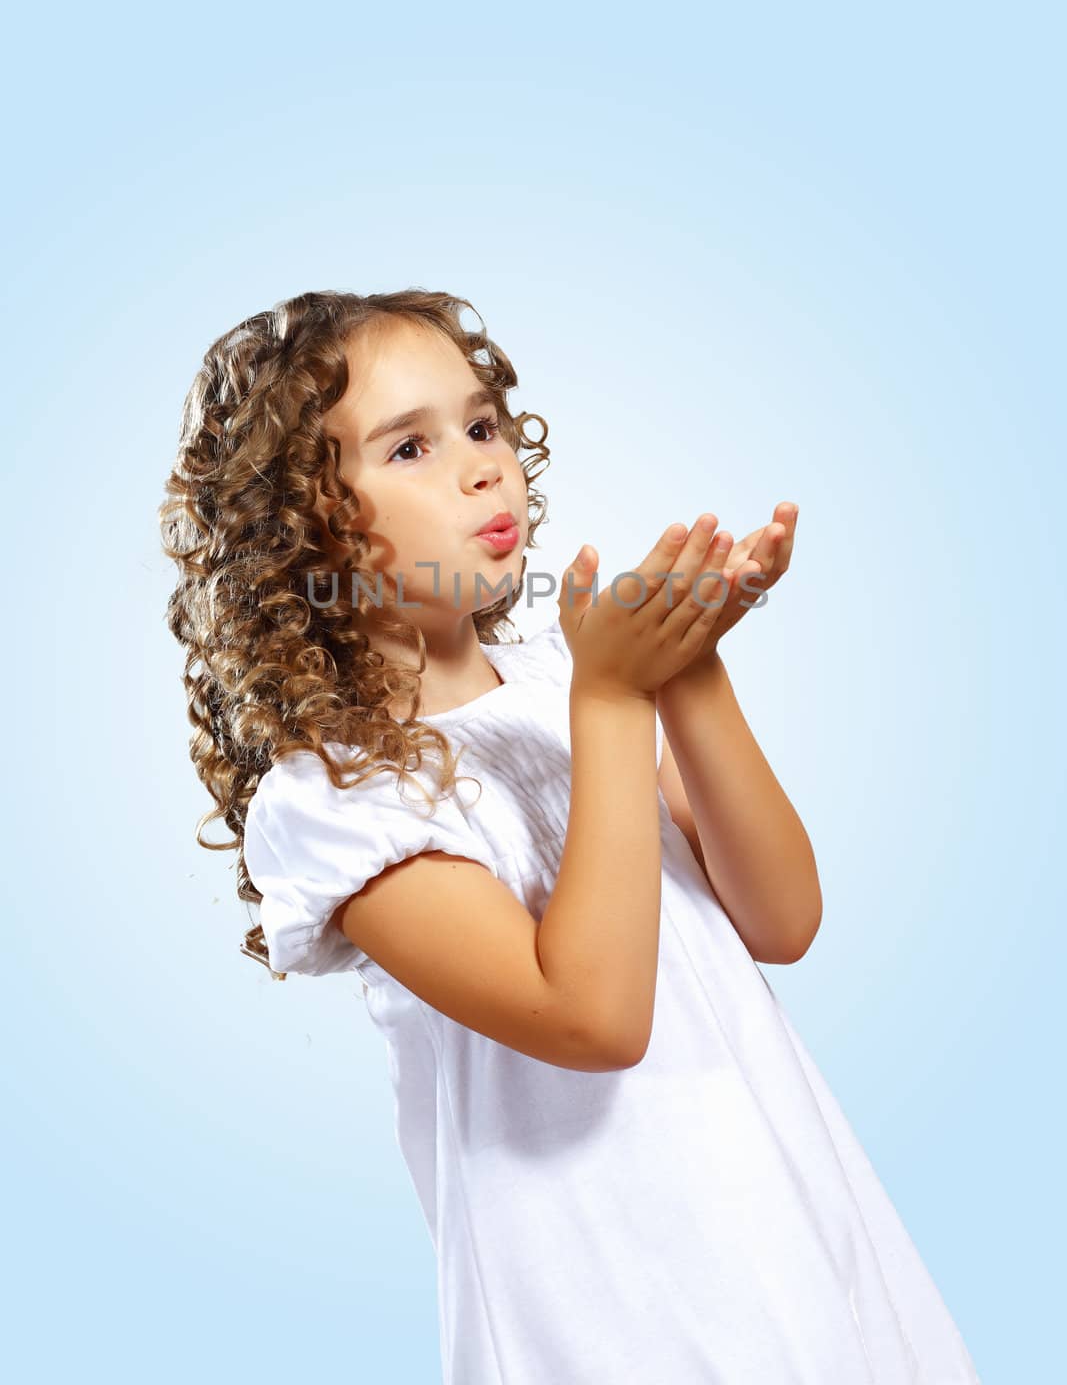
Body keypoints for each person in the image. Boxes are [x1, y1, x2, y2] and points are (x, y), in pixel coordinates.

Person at [159, 288, 982, 1384]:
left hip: (783, 1232)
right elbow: (588, 1014)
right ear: (304, 526)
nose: (479, 466)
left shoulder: (557, 679)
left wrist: (685, 666)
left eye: (482, 423)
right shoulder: (333, 800)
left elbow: (780, 918)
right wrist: (611, 698)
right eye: (409, 446)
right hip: (610, 1302)